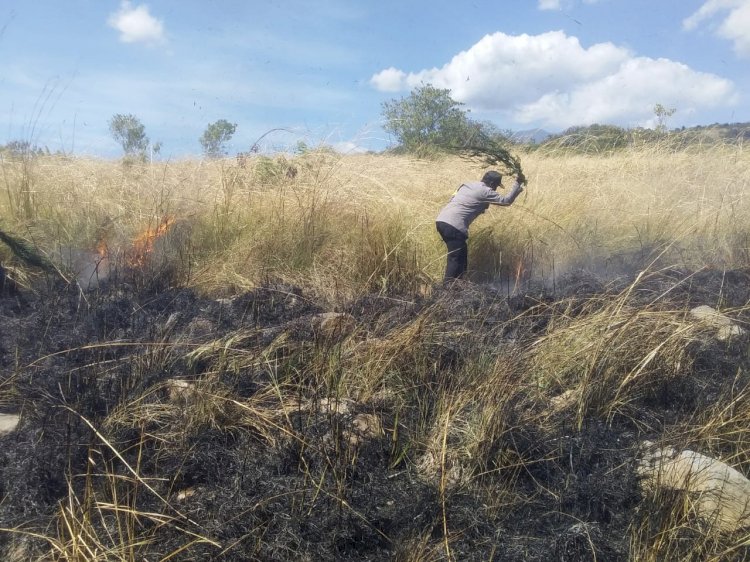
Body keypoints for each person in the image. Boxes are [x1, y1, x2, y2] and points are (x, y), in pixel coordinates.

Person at [435, 170, 525, 281]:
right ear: (492, 184)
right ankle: (448, 288)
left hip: (441, 220)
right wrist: (518, 183)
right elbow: (506, 201)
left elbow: (454, 199)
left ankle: (457, 285)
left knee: (461, 256)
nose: (495, 189)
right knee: (456, 258)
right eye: (496, 186)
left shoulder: (466, 185)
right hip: (454, 226)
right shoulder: (486, 191)